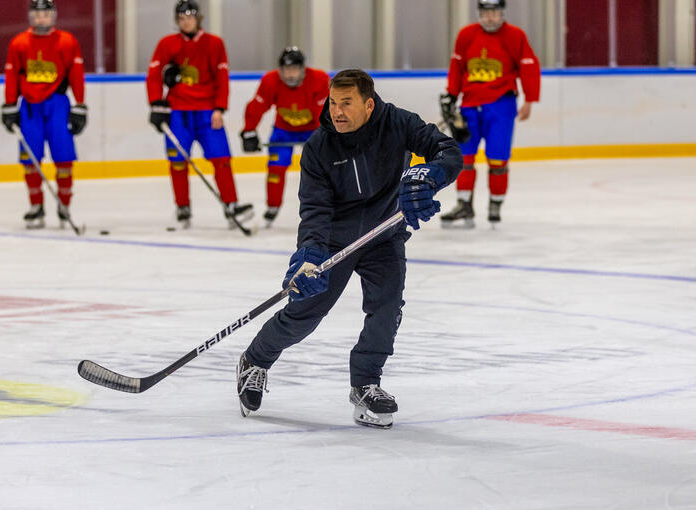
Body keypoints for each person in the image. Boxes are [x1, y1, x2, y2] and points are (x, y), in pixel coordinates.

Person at [235, 69, 462, 428]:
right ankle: (255, 360)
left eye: (346, 103)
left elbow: (447, 149)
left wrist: (429, 176)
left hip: (384, 235)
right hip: (334, 241)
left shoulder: (398, 123)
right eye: (333, 102)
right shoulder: (319, 148)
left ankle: (366, 384)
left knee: (386, 309)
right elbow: (314, 210)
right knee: (304, 314)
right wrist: (309, 256)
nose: (336, 111)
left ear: (368, 105)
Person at [147, 0, 251, 229]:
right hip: (177, 113)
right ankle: (182, 206)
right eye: (182, 18)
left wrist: (220, 108)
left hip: (207, 112)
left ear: (198, 18)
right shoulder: (167, 44)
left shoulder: (214, 43)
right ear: (177, 21)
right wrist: (156, 104)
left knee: (221, 159)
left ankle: (231, 204)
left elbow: (222, 78)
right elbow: (154, 74)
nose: (186, 22)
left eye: (190, 17)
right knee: (177, 161)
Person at [439, 0, 539, 229]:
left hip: (501, 105)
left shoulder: (515, 35)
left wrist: (530, 99)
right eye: (486, 13)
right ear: (480, 14)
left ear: (502, 13)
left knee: (498, 157)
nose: (490, 17)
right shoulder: (466, 34)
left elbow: (528, 66)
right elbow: (457, 67)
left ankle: (496, 204)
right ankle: (464, 204)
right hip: (469, 105)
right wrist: (452, 95)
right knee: (464, 156)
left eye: (494, 12)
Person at [2, 0, 87, 229]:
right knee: (31, 159)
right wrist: (9, 105)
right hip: (29, 107)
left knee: (64, 159)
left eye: (46, 14)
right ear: (31, 16)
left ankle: (64, 204)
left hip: (58, 105)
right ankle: (36, 205)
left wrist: (80, 105)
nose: (42, 18)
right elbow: (11, 75)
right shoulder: (19, 43)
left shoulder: (67, 41)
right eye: (37, 14)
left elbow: (77, 74)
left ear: (54, 16)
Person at [239, 46, 329, 228]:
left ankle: (325, 205)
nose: (290, 74)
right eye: (286, 69)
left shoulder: (319, 80)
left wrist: (330, 135)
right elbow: (257, 106)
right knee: (275, 168)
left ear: (303, 69)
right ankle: (273, 206)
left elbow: (325, 112)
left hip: (314, 129)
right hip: (283, 130)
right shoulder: (270, 80)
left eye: (294, 69)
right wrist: (249, 130)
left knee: (321, 169)